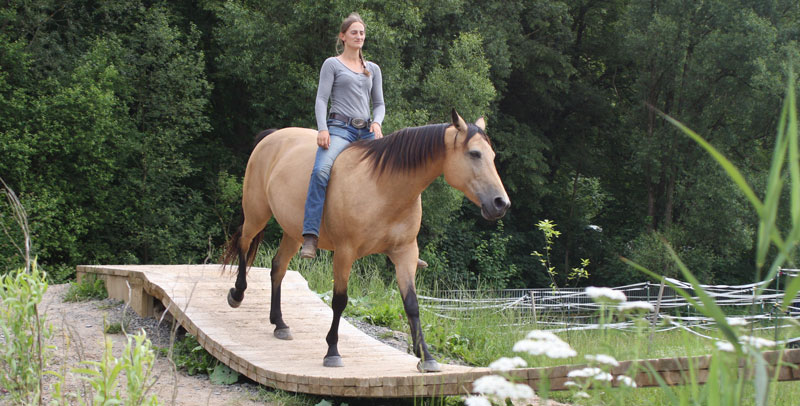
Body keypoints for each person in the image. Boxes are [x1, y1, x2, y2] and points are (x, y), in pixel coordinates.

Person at [300, 12, 384, 258]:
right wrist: (322, 128)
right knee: (320, 171)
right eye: (354, 32)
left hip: (367, 131)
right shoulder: (332, 64)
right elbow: (321, 99)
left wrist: (377, 123)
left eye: (362, 32)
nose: (359, 36)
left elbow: (379, 104)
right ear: (343, 36)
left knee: (395, 170)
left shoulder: (373, 69)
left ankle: (398, 240)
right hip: (340, 129)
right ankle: (310, 236)